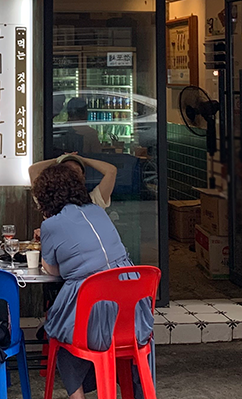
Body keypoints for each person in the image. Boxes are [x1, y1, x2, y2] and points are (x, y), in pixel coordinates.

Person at [35, 163, 153, 399]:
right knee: (77, 328)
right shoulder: (98, 211)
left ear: (46, 196)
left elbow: (51, 269)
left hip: (94, 316)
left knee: (56, 331)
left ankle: (77, 396)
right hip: (135, 320)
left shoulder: (50, 225)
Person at [28, 153, 118, 209]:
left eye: (76, 171)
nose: (72, 174)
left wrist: (83, 160)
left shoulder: (93, 200)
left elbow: (111, 171)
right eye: (67, 170)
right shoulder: (49, 198)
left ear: (83, 176)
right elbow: (33, 170)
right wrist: (58, 160)